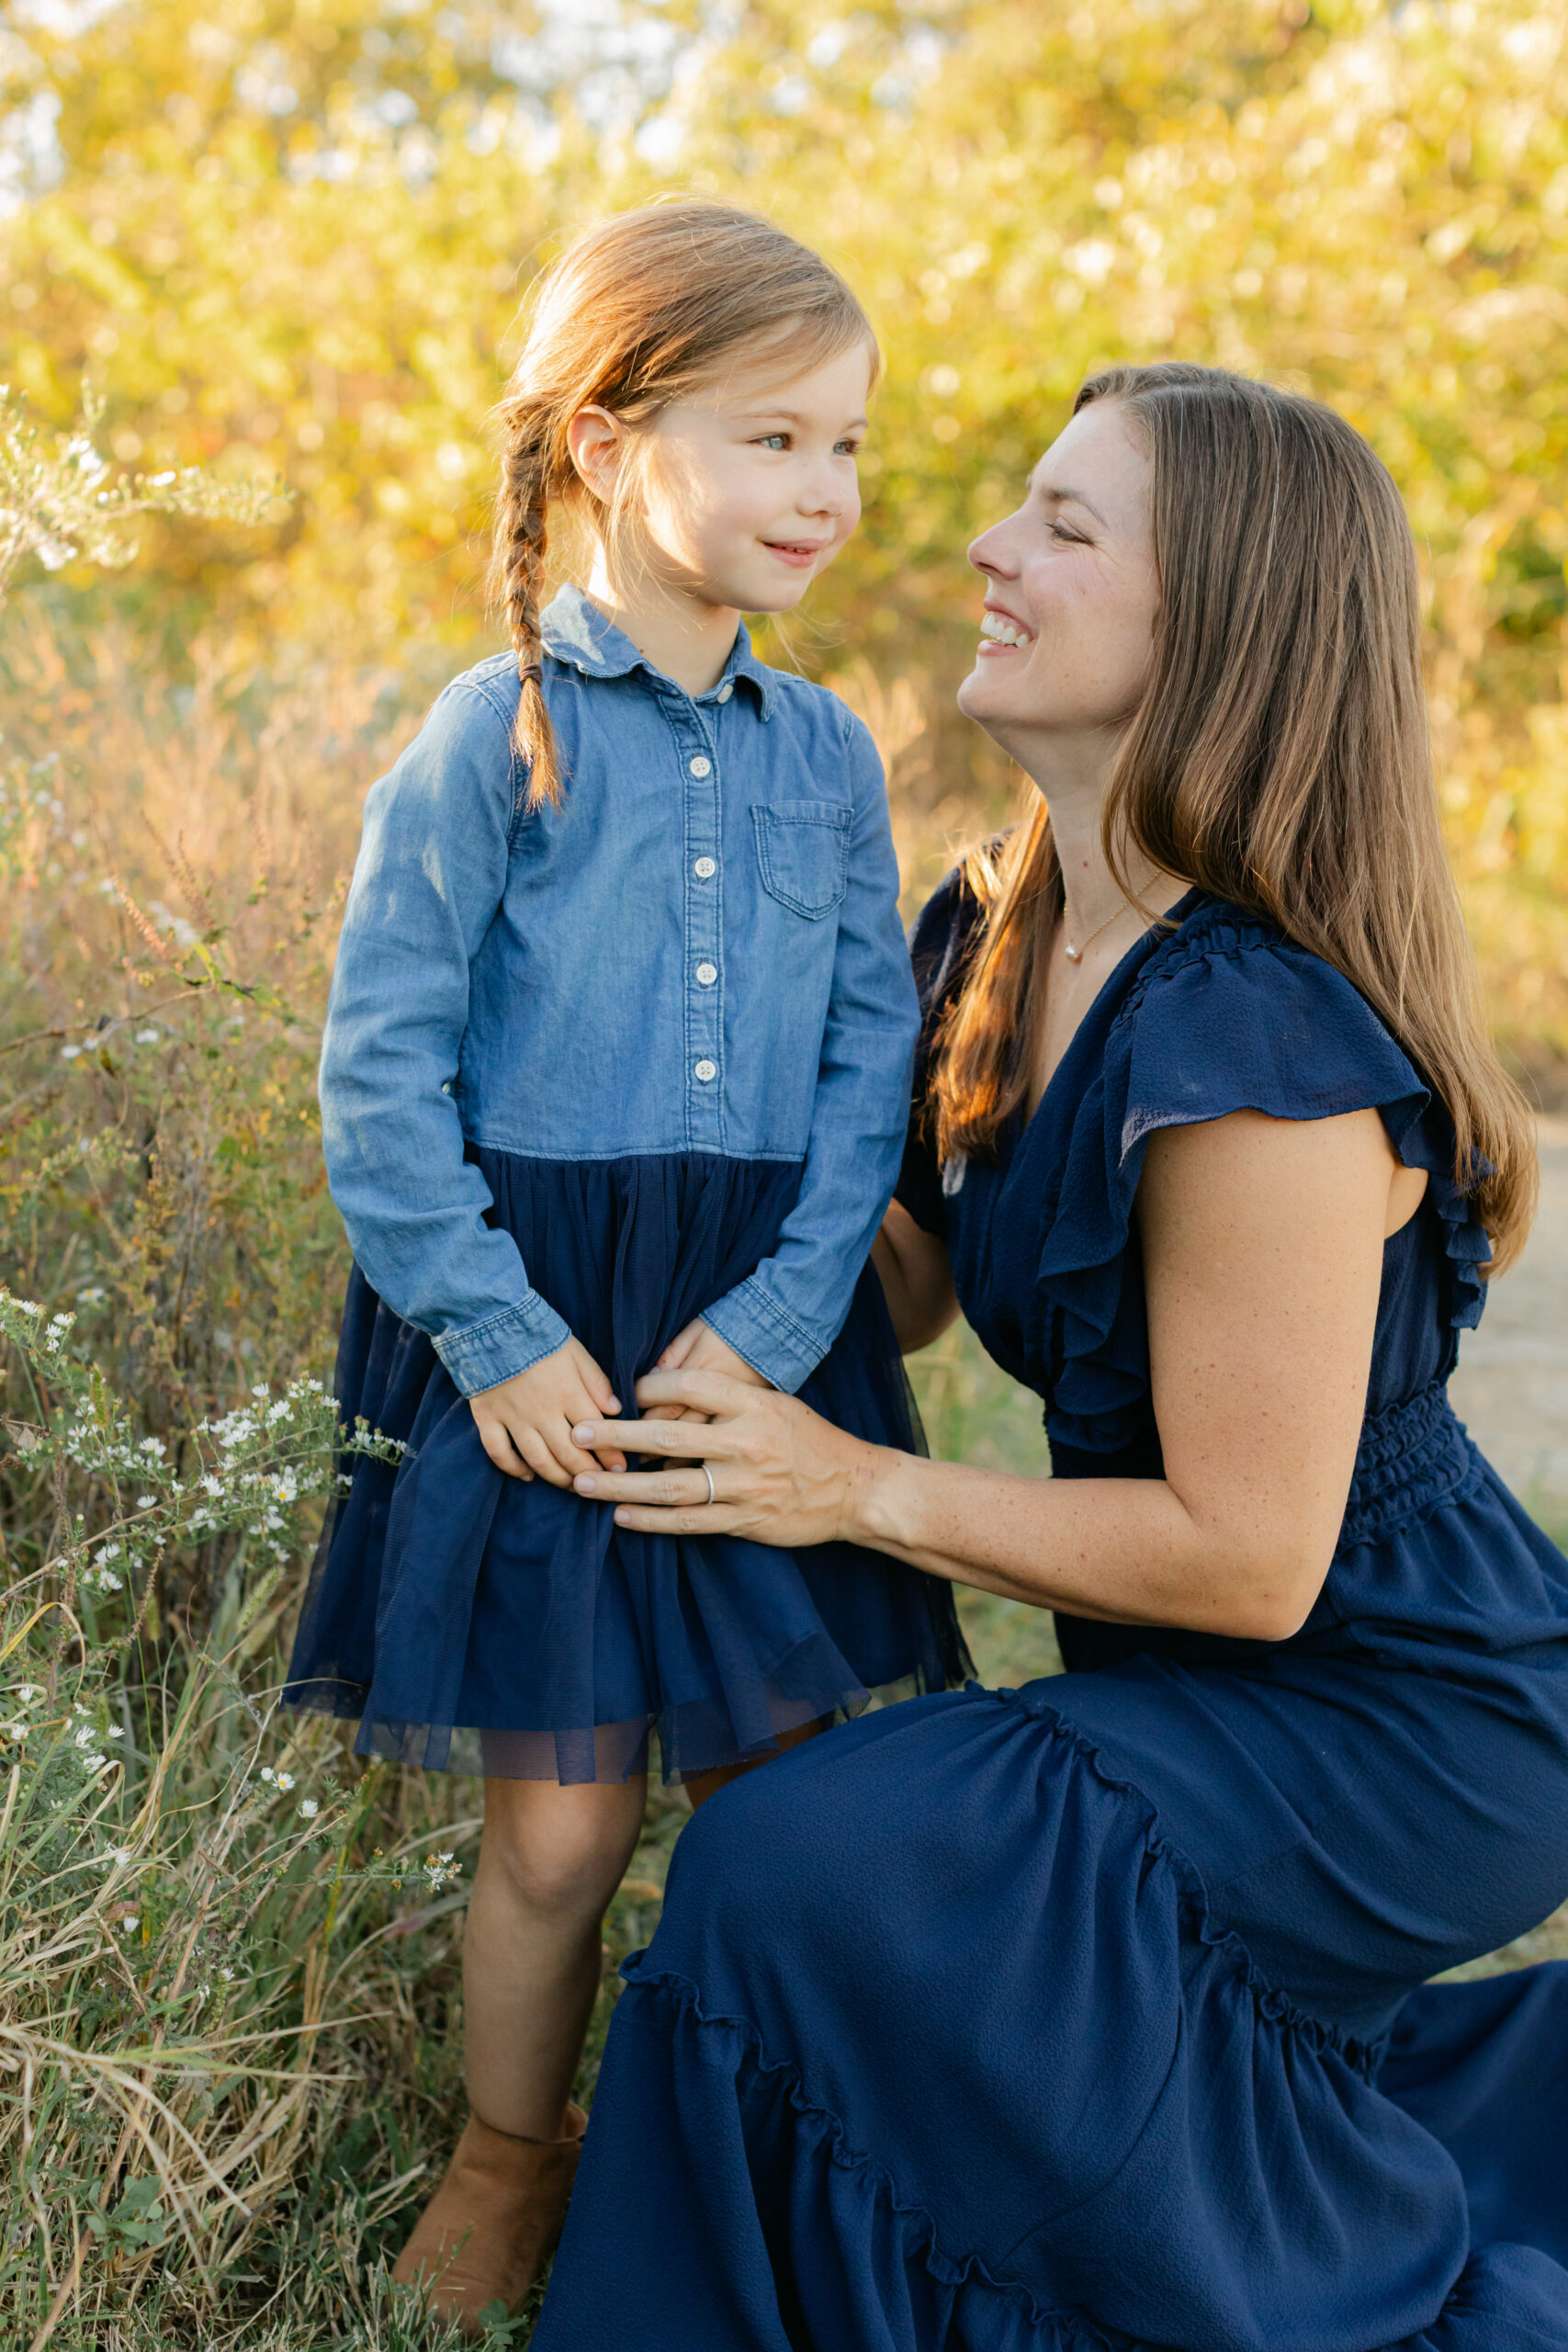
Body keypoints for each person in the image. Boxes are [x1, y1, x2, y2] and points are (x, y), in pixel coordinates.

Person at [532, 364, 1568, 2349]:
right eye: (1022, 508)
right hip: (1203, 1676)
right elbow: (912, 1274)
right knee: (897, 1901)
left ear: (1222, 626)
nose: (988, 553)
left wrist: (851, 1489)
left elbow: (1249, 1558)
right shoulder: (994, 920)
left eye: (1065, 527)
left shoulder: (1255, 1051)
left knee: (802, 1861)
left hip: (1396, 1713)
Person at [281, 199, 967, 2333]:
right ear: (601, 442)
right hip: (538, 1332)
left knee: (785, 1805)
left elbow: (872, 1064)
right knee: (564, 1830)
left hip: (757, 1322)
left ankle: (785, 2161)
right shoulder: (483, 738)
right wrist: (494, 1332)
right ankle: (513, 2151)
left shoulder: (830, 748)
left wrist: (772, 1329)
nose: (824, 497)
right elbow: (377, 1074)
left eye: (846, 449)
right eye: (771, 441)